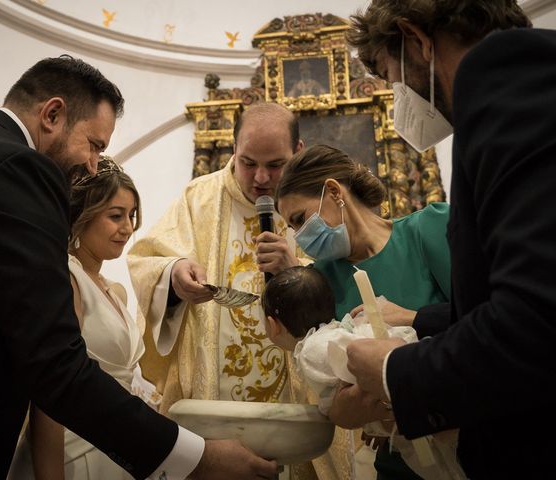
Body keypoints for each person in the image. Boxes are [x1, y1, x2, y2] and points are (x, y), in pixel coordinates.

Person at [0, 55, 277, 480]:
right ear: (52, 114)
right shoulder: (19, 167)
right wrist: (196, 459)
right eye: (95, 145)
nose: (93, 165)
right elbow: (54, 365)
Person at [336, 2, 556, 479]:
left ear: (416, 38)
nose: (399, 99)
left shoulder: (516, 87)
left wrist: (398, 372)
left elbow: (537, 319)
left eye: (392, 77)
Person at [128, 103, 354, 479]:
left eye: (275, 164)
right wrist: (174, 274)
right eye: (248, 162)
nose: (261, 178)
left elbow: (354, 293)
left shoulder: (320, 207)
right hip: (214, 416)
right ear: (233, 148)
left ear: (298, 150)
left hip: (297, 413)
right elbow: (146, 260)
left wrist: (298, 273)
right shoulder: (197, 198)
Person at [275, 144, 452, 479]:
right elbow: (334, 395)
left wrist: (412, 319)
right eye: (293, 228)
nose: (299, 237)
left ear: (333, 191)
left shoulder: (428, 230)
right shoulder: (320, 282)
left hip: (475, 441)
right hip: (399, 463)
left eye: (300, 219)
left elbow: (490, 320)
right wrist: (346, 410)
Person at [8, 157, 155, 479]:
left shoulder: (113, 291)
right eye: (115, 216)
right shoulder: (67, 279)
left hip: (116, 448)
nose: (128, 227)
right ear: (82, 216)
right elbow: (50, 393)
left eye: (131, 216)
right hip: (75, 454)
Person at [261, 266, 466, 480]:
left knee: (445, 466)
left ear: (272, 325)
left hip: (416, 408)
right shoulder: (331, 333)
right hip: (414, 402)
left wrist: (336, 409)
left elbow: (363, 372)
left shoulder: (312, 349)